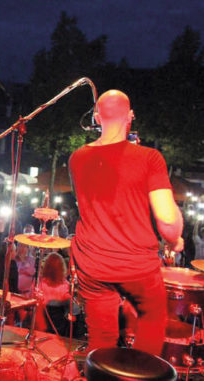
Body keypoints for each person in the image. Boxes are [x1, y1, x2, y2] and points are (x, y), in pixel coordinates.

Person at [69, 90, 184, 355]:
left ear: (97, 118)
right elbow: (167, 222)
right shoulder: (149, 158)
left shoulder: (77, 158)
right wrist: (176, 239)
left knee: (101, 337)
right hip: (136, 266)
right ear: (131, 116)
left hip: (92, 264)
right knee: (152, 318)